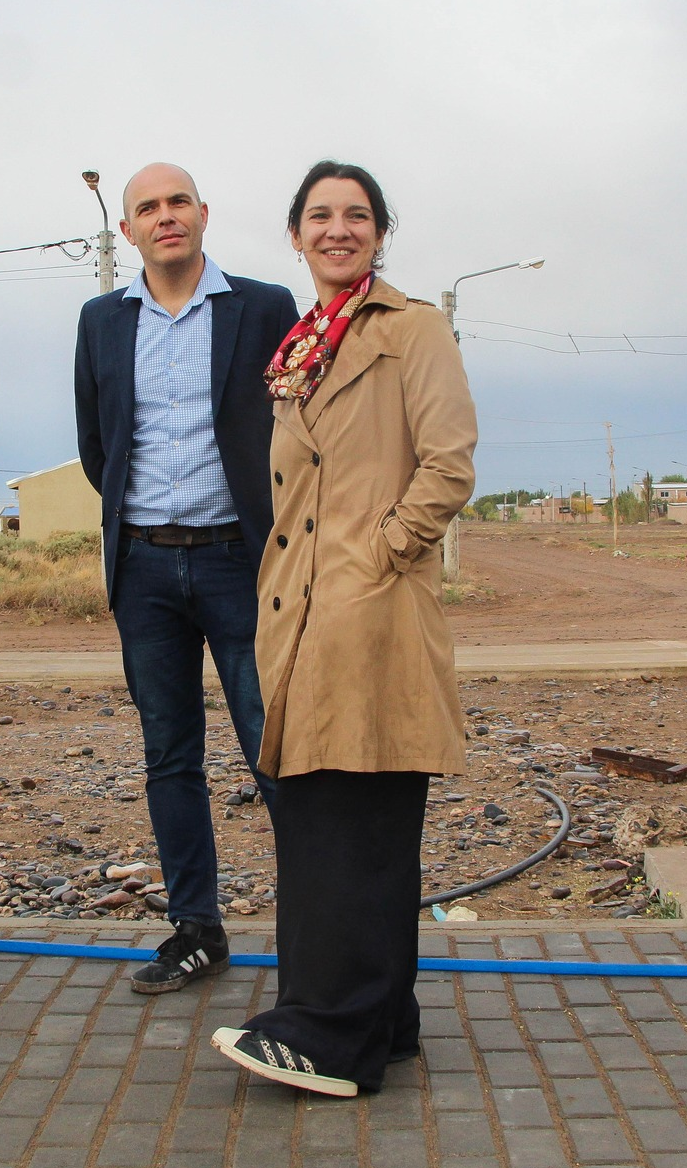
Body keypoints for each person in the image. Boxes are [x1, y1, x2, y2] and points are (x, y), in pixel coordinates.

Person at [211, 160, 477, 1097]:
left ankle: (327, 1035)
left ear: (379, 232)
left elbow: (449, 463)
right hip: (299, 612)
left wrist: (381, 553)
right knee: (338, 819)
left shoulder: (413, 330)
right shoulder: (300, 349)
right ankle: (385, 1019)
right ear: (295, 236)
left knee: (350, 822)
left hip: (372, 610)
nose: (338, 229)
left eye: (357, 215)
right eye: (319, 215)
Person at [73, 163, 302, 993]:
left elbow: (298, 421)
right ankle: (196, 928)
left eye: (178, 202)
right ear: (127, 229)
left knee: (275, 747)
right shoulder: (101, 320)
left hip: (241, 562)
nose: (164, 216)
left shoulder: (264, 307)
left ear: (204, 214)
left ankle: (315, 932)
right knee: (169, 755)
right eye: (148, 207)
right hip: (143, 569)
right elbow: (99, 446)